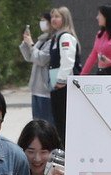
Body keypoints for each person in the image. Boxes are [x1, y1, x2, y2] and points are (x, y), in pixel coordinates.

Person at [47, 7, 79, 140]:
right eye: (52, 16)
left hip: (64, 86)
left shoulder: (65, 36)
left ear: (64, 18)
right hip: (56, 85)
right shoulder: (56, 37)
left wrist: (60, 81)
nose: (53, 19)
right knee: (58, 120)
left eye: (57, 16)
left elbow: (67, 61)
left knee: (64, 120)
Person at [19, 12, 53, 125]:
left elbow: (42, 59)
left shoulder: (53, 41)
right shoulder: (42, 40)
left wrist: (31, 45)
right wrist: (26, 43)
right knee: (36, 123)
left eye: (44, 20)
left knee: (45, 124)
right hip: (36, 88)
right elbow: (29, 57)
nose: (42, 23)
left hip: (45, 89)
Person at [82, 4, 111, 75]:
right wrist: (82, 75)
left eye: (99, 15)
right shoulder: (99, 34)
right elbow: (93, 56)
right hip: (100, 72)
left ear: (107, 17)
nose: (97, 17)